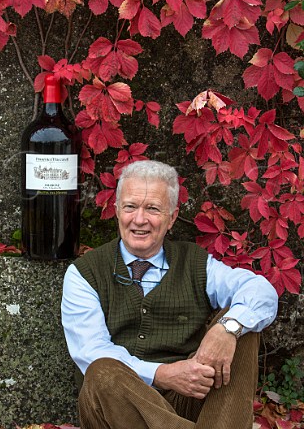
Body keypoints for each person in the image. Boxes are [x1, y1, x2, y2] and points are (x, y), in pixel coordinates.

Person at [61, 160, 278, 429]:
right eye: (130, 207)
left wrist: (228, 329)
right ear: (117, 211)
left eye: (152, 209)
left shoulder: (195, 263)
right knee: (102, 372)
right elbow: (91, 351)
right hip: (121, 409)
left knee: (243, 324)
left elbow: (262, 292)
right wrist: (163, 374)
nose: (139, 220)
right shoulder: (84, 274)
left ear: (172, 217)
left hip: (189, 400)